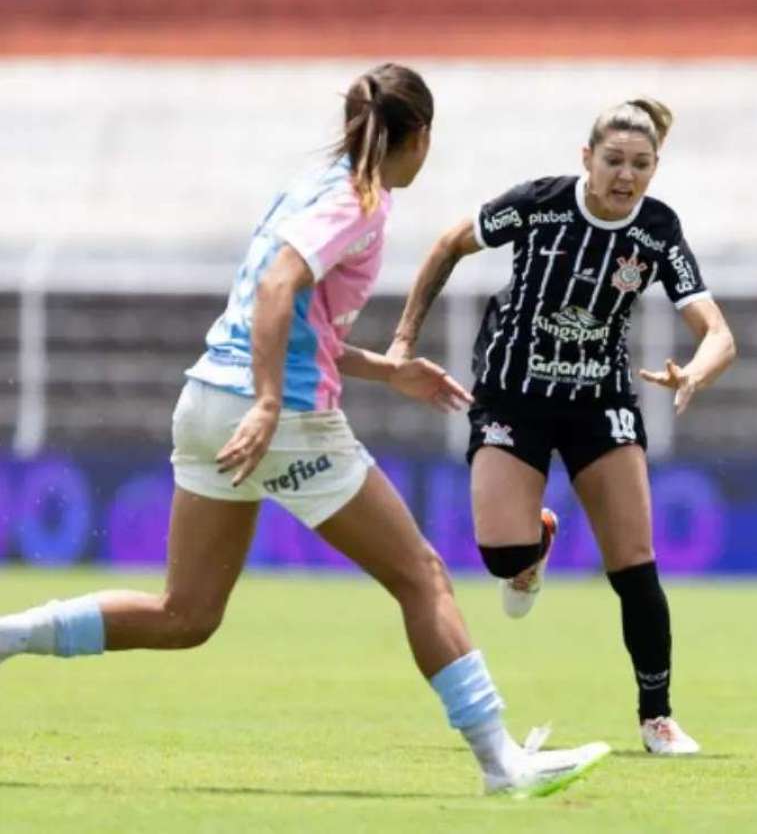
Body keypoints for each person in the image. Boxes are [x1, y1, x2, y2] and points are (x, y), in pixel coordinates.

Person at [0, 63, 609, 798]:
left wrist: (387, 371)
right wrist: (265, 403)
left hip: (203, 404)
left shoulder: (308, 188)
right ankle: (500, 764)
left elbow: (296, 317)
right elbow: (277, 287)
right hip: (279, 418)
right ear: (418, 136)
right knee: (422, 577)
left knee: (185, 614)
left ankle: (8, 636)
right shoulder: (359, 202)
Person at [387, 98, 736, 755]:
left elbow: (717, 332)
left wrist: (696, 371)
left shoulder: (657, 230)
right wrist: (405, 337)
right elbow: (448, 244)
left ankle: (656, 716)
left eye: (640, 164)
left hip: (599, 401)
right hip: (514, 396)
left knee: (634, 565)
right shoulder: (540, 203)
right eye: (613, 161)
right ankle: (534, 548)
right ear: (587, 159)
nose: (625, 176)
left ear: (655, 167)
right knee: (501, 555)